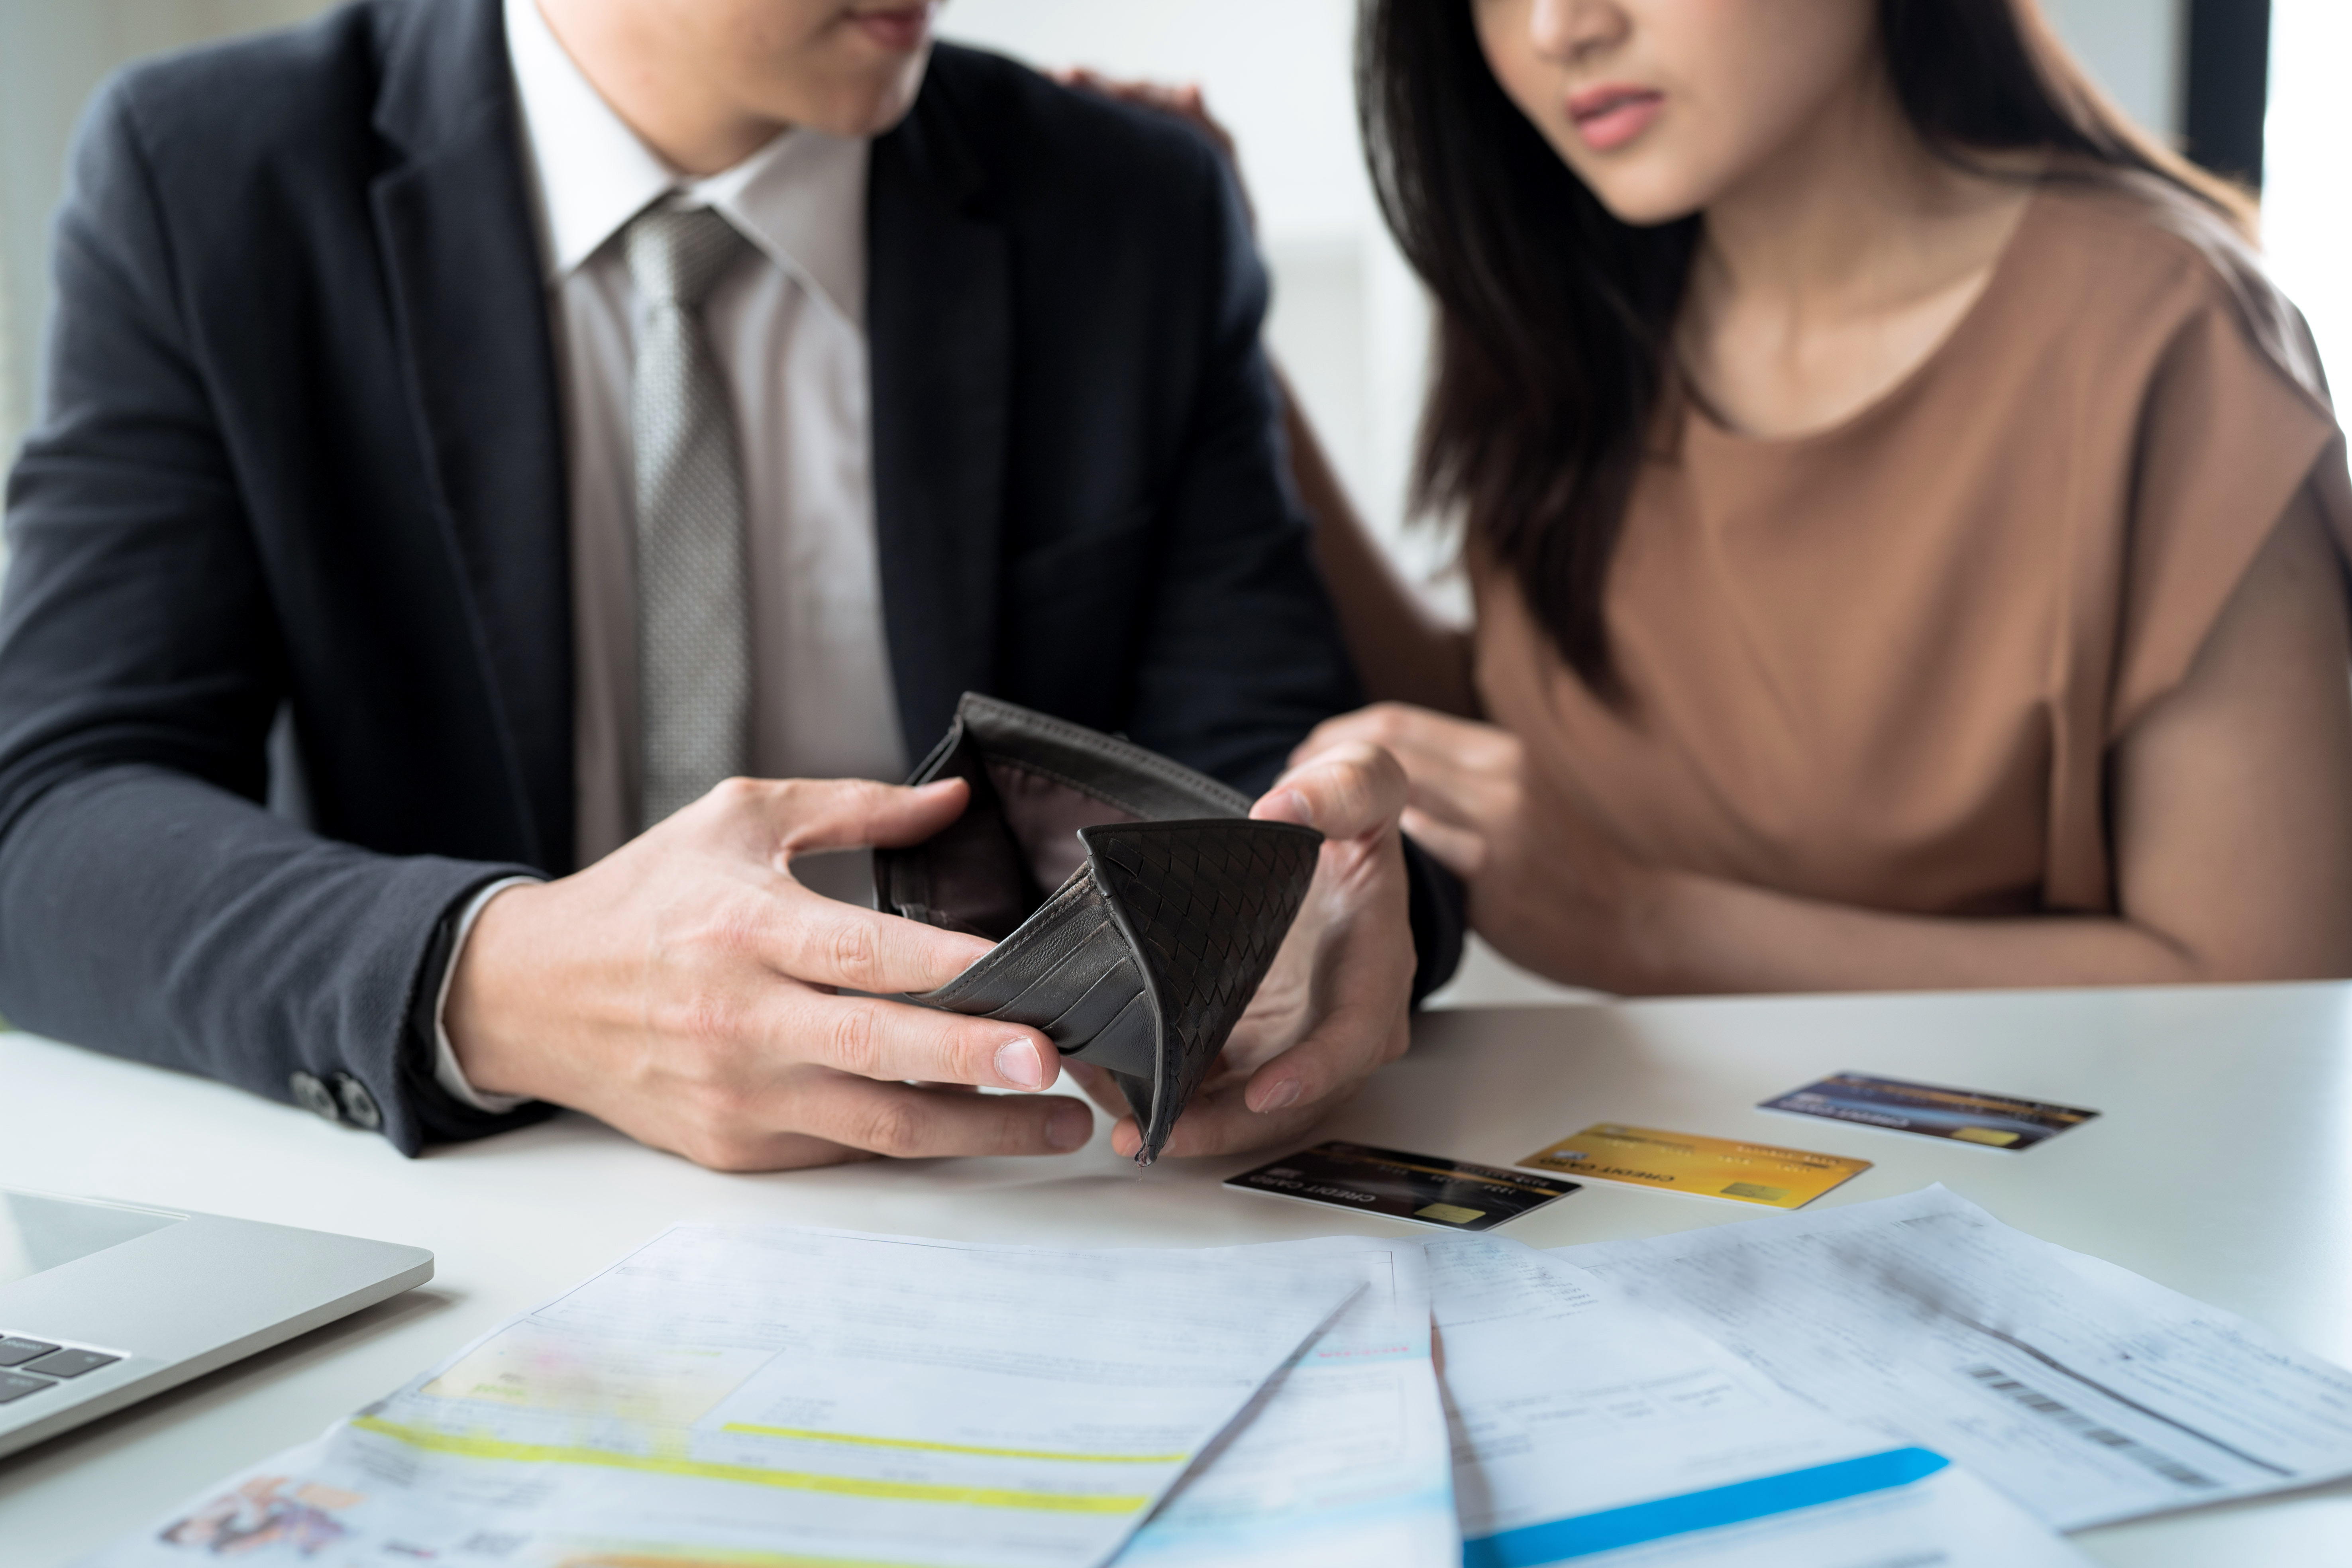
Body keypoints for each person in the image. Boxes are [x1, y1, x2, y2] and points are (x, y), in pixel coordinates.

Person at [0, 0, 1462, 1170]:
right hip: (478, 1220)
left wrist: (1323, 909)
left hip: (1026, 1206)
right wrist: (491, 976)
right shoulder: (213, 176)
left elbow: (1264, 764)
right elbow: (45, 815)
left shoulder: (1127, 206)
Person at [1287, 0, 2352, 993]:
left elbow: (2260, 984)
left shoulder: (2162, 341)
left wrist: (1647, 925)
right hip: (1642, 1176)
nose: (1562, 28)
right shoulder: (1569, 312)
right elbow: (1512, 728)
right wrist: (1216, 324)